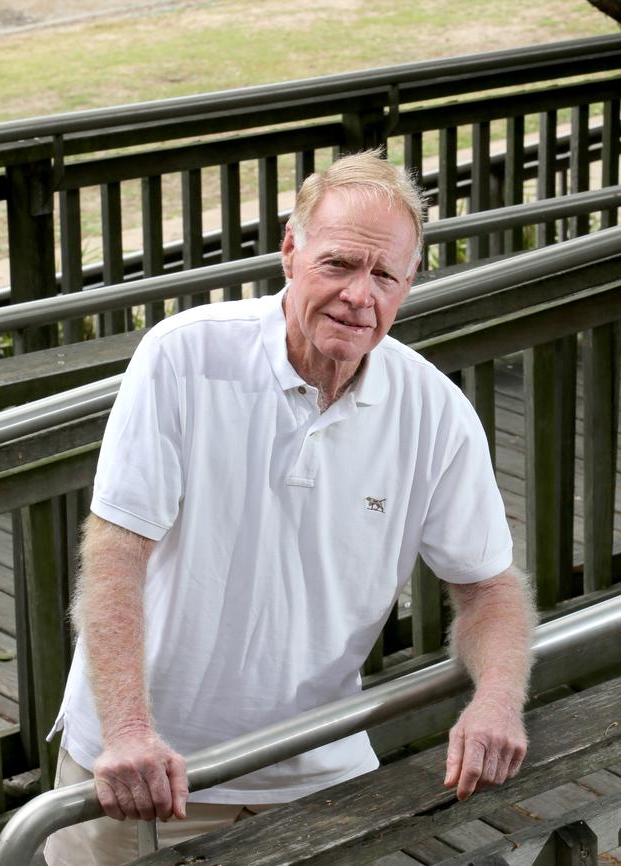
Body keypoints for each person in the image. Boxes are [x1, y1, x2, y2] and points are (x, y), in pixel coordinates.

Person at [45, 150, 536, 866]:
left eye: (385, 276)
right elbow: (116, 554)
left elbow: (490, 589)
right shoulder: (185, 356)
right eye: (339, 264)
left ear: (408, 284)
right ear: (290, 251)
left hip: (315, 767)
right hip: (144, 774)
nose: (359, 296)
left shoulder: (435, 410)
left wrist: (495, 702)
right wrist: (125, 731)